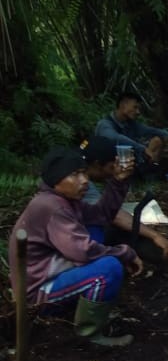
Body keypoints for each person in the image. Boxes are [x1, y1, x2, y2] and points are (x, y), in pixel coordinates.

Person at [7, 146, 143, 346]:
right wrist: (125, 253)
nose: (85, 180)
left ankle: (89, 297)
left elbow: (101, 216)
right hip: (37, 294)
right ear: (56, 180)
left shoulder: (64, 200)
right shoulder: (51, 206)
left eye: (83, 172)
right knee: (109, 268)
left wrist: (119, 181)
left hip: (51, 274)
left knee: (94, 228)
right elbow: (84, 252)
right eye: (75, 175)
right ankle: (89, 334)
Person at [80, 137, 168, 275]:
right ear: (97, 164)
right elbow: (113, 215)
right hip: (74, 241)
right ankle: (165, 259)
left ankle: (164, 258)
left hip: (72, 234)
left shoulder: (76, 171)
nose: (113, 170)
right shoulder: (82, 183)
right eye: (111, 166)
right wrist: (154, 235)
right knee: (118, 230)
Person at [94, 92, 168, 169]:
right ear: (123, 105)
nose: (138, 112)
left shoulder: (131, 124)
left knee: (157, 141)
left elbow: (151, 130)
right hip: (109, 165)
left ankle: (148, 170)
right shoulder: (105, 124)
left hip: (128, 161)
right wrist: (142, 149)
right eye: (135, 107)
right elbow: (116, 138)